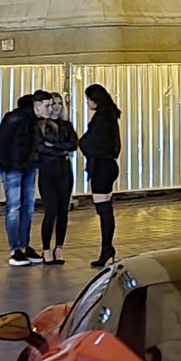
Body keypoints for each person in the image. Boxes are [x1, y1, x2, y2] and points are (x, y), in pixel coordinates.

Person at [0, 92, 41, 268]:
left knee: (27, 206)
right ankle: (15, 249)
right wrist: (7, 165)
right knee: (15, 207)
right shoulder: (15, 119)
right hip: (15, 169)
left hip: (28, 167)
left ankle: (24, 246)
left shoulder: (34, 122)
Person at [32, 90, 80, 265]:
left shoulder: (66, 125)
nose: (56, 107)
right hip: (47, 170)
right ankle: (46, 249)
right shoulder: (39, 126)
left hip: (64, 170)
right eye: (53, 104)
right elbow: (40, 148)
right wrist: (61, 149)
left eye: (59, 104)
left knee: (63, 211)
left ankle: (59, 247)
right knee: (50, 211)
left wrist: (54, 145)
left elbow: (74, 144)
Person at [81, 83, 123, 269]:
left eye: (88, 99)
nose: (88, 103)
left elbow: (90, 142)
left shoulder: (101, 118)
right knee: (106, 207)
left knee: (103, 209)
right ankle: (107, 248)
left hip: (101, 166)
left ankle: (106, 249)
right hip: (110, 164)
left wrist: (81, 142)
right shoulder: (111, 116)